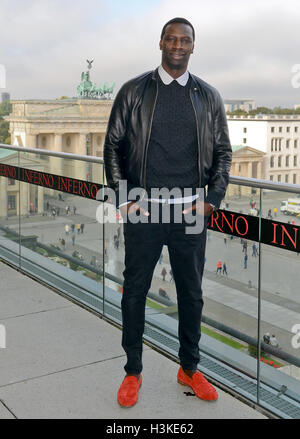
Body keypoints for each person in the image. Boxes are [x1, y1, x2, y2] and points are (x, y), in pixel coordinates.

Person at [104, 17, 232, 407]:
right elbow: (113, 146)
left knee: (192, 295)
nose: (177, 45)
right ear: (161, 42)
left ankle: (189, 369)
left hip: (191, 211)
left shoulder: (208, 97)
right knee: (135, 292)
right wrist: (124, 198)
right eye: (171, 39)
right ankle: (132, 371)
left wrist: (212, 199)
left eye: (185, 40)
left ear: (193, 47)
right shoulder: (133, 91)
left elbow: (224, 153)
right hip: (144, 210)